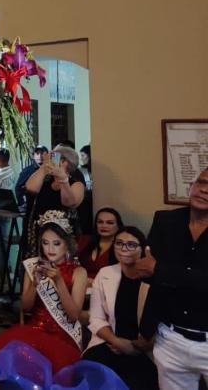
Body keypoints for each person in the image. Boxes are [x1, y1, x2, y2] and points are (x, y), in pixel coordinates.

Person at [135, 167, 208, 390]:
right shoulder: (166, 221)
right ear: (191, 186)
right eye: (201, 182)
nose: (204, 190)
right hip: (170, 337)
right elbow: (148, 274)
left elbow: (157, 270)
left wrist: (160, 270)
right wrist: (146, 329)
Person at [0, 211, 88, 372]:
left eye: (56, 243)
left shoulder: (79, 272)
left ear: (67, 244)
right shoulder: (34, 267)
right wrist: (34, 284)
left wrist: (59, 281)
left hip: (62, 337)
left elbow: (73, 316)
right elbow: (25, 308)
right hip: (34, 331)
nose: (50, 249)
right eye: (45, 243)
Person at [83, 226, 159, 390]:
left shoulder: (155, 279)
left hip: (144, 349)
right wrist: (117, 342)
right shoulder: (105, 273)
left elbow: (163, 320)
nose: (124, 249)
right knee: (93, 377)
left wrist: (140, 346)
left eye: (131, 245)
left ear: (143, 248)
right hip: (109, 342)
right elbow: (96, 318)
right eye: (119, 243)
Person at [21, 144, 85, 260]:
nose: (51, 160)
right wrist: (44, 168)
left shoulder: (76, 184)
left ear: (65, 162)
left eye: (55, 157)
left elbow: (68, 202)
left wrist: (63, 179)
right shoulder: (45, 180)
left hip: (62, 237)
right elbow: (30, 188)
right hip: (39, 234)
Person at [79, 207, 124, 283]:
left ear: (118, 226)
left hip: (107, 285)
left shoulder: (122, 246)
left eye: (110, 223)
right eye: (100, 222)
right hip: (80, 284)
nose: (104, 226)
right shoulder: (84, 240)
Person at [14, 144, 47, 209]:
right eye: (37, 153)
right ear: (34, 156)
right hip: (31, 206)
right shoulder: (27, 171)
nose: (40, 156)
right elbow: (18, 188)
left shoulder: (50, 171)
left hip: (47, 206)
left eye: (42, 153)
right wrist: (22, 203)